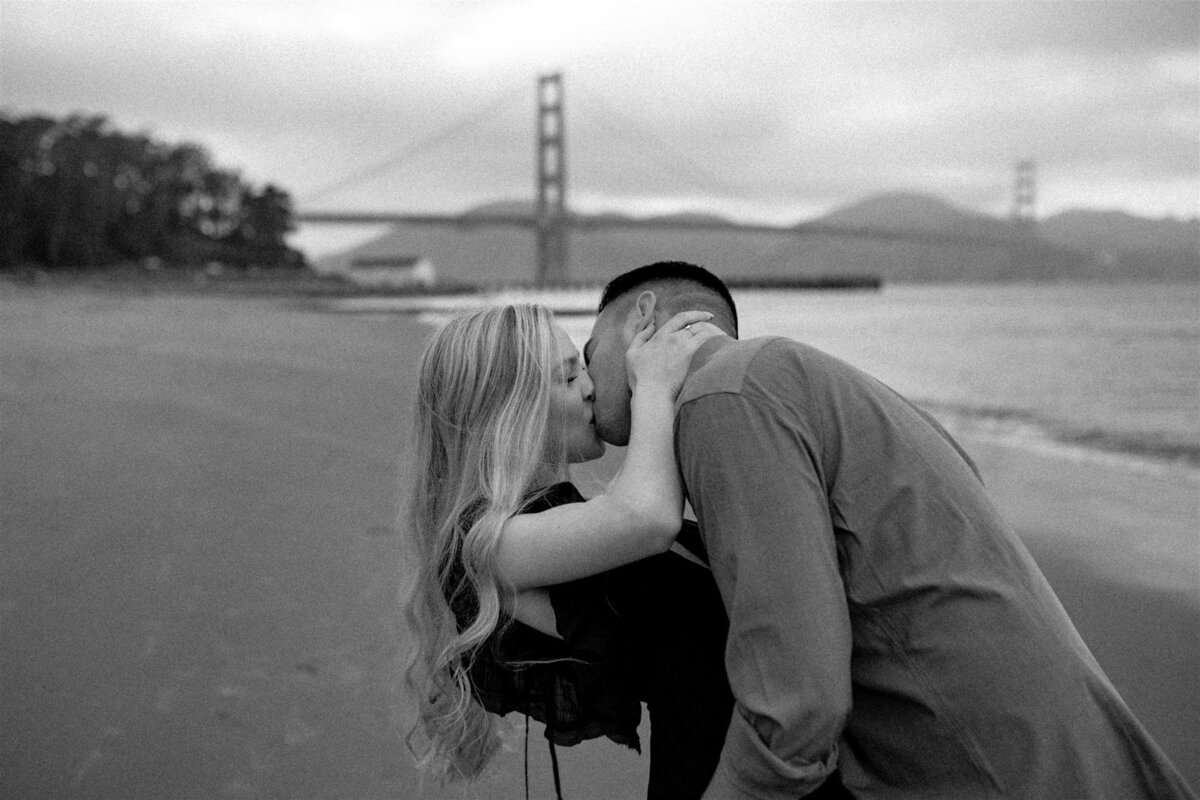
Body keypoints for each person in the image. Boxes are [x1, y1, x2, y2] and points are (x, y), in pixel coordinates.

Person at [582, 261, 1198, 800]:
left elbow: (798, 706)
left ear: (643, 318)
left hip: (984, 770)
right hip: (1066, 756)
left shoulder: (723, 396)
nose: (583, 385)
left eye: (587, 355)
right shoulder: (831, 386)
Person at [400, 303, 851, 799]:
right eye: (569, 377)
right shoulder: (484, 545)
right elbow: (648, 519)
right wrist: (654, 385)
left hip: (770, 751)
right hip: (728, 770)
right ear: (510, 412)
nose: (591, 386)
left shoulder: (563, 519)